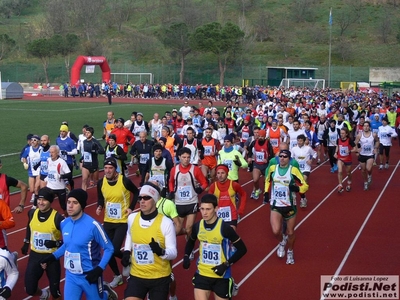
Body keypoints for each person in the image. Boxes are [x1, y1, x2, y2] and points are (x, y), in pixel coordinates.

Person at [40, 189, 118, 300]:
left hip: (90, 275)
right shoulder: (64, 223)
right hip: (71, 275)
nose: (70, 206)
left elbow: (109, 248)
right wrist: (53, 257)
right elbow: (68, 245)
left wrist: (99, 269)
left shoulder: (93, 226)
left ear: (82, 205)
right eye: (68, 202)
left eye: (75, 203)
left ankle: (106, 294)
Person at [182, 194, 247, 300]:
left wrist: (225, 265)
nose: (204, 213)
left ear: (216, 208)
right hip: (202, 273)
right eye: (202, 209)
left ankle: (231, 284)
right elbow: (191, 242)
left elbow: (242, 249)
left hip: (221, 275)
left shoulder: (225, 228)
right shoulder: (198, 226)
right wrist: (186, 256)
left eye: (208, 209)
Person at [121, 182, 177, 300]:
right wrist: (126, 251)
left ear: (155, 200)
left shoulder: (166, 223)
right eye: (140, 198)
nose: (142, 201)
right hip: (137, 275)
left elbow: (173, 252)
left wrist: (161, 251)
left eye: (146, 198)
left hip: (159, 277)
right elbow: (130, 234)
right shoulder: (132, 218)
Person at [96, 157, 139, 288]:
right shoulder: (101, 182)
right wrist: (99, 206)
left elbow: (136, 192)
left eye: (111, 168)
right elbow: (100, 198)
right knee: (107, 251)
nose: (108, 171)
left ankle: (127, 260)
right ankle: (118, 276)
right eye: (106, 168)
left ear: (116, 170)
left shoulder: (124, 181)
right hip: (108, 221)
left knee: (113, 250)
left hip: (122, 221)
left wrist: (131, 206)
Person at [264, 149, 309, 264]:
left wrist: (298, 189)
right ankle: (281, 242)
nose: (282, 158)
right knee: (275, 231)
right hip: (276, 205)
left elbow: (305, 185)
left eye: (285, 156)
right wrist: (265, 192)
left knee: (290, 232)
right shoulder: (273, 168)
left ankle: (290, 251)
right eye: (280, 156)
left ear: (289, 159)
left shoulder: (293, 170)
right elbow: (267, 180)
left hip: (290, 206)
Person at [21, 187, 64, 300]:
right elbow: (29, 226)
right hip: (35, 256)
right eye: (39, 199)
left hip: (51, 257)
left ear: (50, 201)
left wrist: (56, 243)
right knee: (29, 289)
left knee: (55, 292)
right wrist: (26, 241)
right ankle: (44, 294)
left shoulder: (58, 218)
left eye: (44, 200)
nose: (41, 202)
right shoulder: (32, 213)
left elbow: (69, 241)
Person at [168, 148, 208, 240]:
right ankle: (190, 233)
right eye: (184, 157)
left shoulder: (195, 169)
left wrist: (200, 189)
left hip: (192, 202)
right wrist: (171, 191)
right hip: (179, 203)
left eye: (188, 157)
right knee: (177, 230)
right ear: (179, 157)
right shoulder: (174, 170)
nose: (186, 159)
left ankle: (189, 251)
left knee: (189, 227)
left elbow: (204, 183)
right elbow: (170, 182)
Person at [208, 164, 247, 230]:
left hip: (232, 215)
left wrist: (241, 210)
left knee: (230, 236)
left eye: (222, 173)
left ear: (227, 173)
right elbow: (208, 200)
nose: (220, 175)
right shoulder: (213, 186)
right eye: (218, 173)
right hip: (217, 215)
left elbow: (243, 194)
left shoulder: (234, 185)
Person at [44, 145, 71, 215]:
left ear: (57, 153)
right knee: (46, 202)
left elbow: (69, 174)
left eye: (53, 152)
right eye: (50, 152)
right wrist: (47, 178)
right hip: (50, 186)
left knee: (63, 205)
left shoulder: (62, 162)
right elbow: (49, 170)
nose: (51, 154)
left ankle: (67, 216)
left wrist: (61, 176)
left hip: (60, 187)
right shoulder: (48, 160)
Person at [290, 134, 316, 208]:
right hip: (297, 170)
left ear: (304, 141)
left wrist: (311, 160)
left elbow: (314, 154)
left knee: (302, 183)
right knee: (297, 185)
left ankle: (303, 199)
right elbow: (291, 158)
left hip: (306, 169)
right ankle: (303, 197)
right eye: (298, 141)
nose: (299, 142)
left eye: (301, 141)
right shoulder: (294, 149)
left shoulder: (308, 148)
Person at [247, 129, 274, 199]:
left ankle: (266, 193)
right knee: (255, 180)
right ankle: (258, 189)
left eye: (262, 136)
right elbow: (249, 149)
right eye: (259, 136)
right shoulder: (254, 142)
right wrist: (249, 157)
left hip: (265, 166)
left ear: (265, 137)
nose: (260, 137)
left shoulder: (267, 143)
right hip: (257, 164)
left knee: (266, 181)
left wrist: (267, 159)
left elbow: (272, 154)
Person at [354, 121, 379, 190]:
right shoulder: (359, 135)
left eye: (367, 126)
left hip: (370, 154)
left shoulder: (373, 135)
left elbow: (377, 141)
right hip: (362, 154)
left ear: (369, 127)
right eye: (364, 126)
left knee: (368, 168)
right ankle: (365, 182)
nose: (366, 127)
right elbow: (355, 143)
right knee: (363, 170)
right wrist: (357, 150)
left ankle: (370, 175)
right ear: (363, 127)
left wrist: (376, 148)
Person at [334, 127, 357, 193]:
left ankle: (349, 182)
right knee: (340, 171)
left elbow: (355, 149)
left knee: (348, 173)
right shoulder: (338, 140)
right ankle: (340, 185)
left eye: (343, 133)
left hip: (347, 159)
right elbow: (337, 146)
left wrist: (350, 151)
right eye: (341, 133)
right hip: (340, 158)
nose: (341, 134)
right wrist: (336, 152)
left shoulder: (349, 140)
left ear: (346, 134)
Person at [21, 134, 42, 203]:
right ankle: (40, 193)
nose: (32, 141)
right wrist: (25, 163)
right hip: (31, 171)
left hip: (39, 170)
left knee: (36, 188)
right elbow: (24, 157)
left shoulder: (41, 149)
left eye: (35, 140)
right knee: (32, 190)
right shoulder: (28, 149)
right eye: (32, 140)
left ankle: (36, 203)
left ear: (38, 142)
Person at [56, 124, 77, 190]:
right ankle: (62, 189)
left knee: (69, 177)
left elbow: (75, 151)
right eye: (61, 131)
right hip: (60, 161)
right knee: (60, 176)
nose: (61, 133)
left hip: (68, 162)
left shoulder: (70, 141)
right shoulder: (58, 139)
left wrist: (67, 153)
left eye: (63, 131)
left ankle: (72, 188)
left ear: (67, 132)